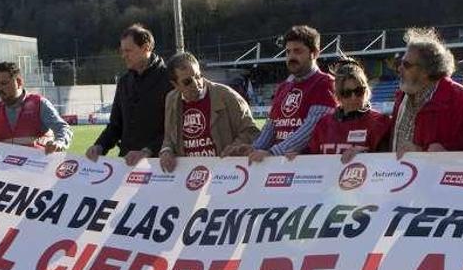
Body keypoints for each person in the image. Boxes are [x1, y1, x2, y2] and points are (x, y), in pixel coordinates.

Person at [245, 25, 337, 164]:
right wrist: (254, 150)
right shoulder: (283, 87)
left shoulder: (325, 83)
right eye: (288, 52)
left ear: (315, 53)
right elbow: (271, 126)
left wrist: (273, 152)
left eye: (298, 51)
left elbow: (310, 130)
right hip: (279, 165)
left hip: (308, 168)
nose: (291, 56)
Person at [86, 24, 172, 165]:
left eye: (128, 51)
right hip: (126, 165)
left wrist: (148, 151)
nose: (123, 55)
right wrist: (99, 146)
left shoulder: (169, 79)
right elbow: (115, 125)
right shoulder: (124, 82)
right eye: (122, 51)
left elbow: (175, 128)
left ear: (146, 48)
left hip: (159, 167)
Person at [158, 52, 259, 172]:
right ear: (175, 85)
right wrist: (166, 150)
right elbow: (169, 137)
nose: (196, 84)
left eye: (198, 76)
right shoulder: (171, 99)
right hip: (190, 175)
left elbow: (251, 131)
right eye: (187, 82)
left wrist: (235, 147)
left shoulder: (226, 96)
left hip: (224, 172)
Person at [390, 28, 463, 158]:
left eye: (406, 64)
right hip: (398, 175)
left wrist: (422, 153)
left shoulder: (459, 98)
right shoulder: (401, 96)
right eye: (399, 63)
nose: (399, 69)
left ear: (426, 71)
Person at [303, 57, 391, 164]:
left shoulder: (381, 123)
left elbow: (387, 164)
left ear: (366, 90)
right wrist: (295, 157)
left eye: (358, 91)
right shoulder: (323, 125)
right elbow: (310, 162)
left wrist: (366, 156)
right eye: (347, 93)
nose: (354, 97)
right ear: (338, 96)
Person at [0, 61, 72, 153]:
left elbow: (63, 128)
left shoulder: (39, 104)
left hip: (37, 165)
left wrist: (59, 142)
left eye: (4, 83)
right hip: (3, 166)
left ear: (19, 82)